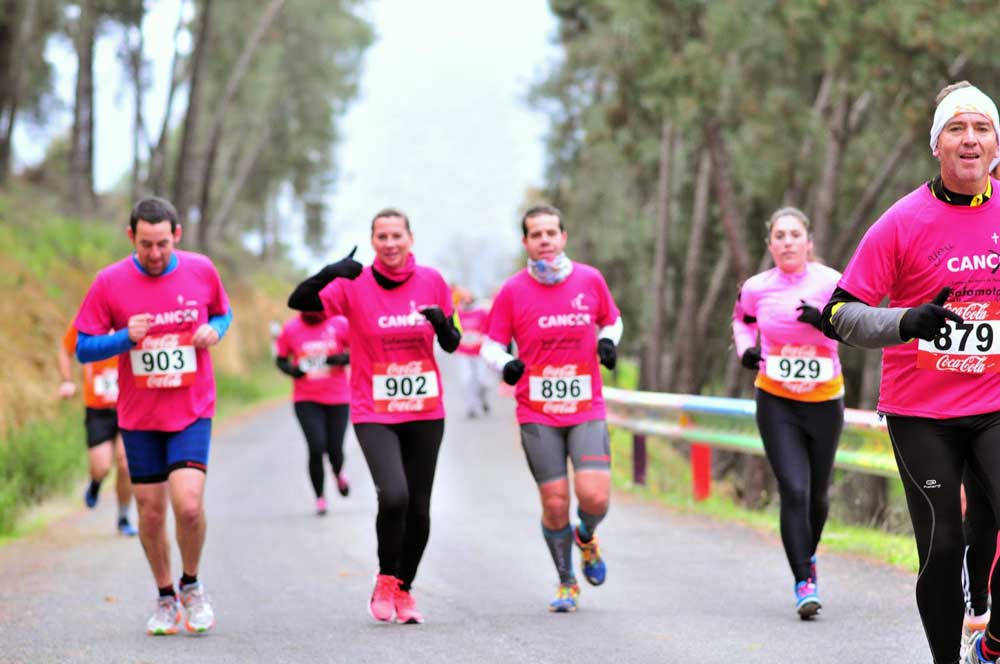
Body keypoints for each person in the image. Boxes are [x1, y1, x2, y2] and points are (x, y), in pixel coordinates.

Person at [819, 82, 1000, 664]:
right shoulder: (902, 222)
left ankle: (992, 645)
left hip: (994, 401)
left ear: (996, 144)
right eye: (957, 129)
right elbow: (839, 312)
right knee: (944, 544)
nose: (970, 140)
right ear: (937, 146)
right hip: (923, 414)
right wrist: (906, 322)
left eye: (981, 129)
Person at [288, 207, 460, 625]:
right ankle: (385, 578)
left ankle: (404, 589)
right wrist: (330, 271)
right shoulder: (354, 284)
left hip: (424, 409)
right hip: (374, 408)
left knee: (419, 507)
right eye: (381, 237)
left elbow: (452, 344)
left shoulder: (432, 281)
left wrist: (441, 326)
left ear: (410, 238)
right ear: (372, 242)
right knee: (395, 494)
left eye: (397, 235)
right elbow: (300, 301)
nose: (390, 244)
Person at [73, 196, 232, 636]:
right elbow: (83, 345)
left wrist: (213, 331)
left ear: (177, 235)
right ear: (131, 237)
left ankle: (192, 584)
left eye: (163, 243)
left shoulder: (201, 269)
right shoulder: (109, 282)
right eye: (146, 244)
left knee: (188, 504)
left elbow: (223, 312)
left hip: (191, 409)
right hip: (140, 415)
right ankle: (165, 597)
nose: (156, 253)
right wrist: (125, 338)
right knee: (150, 511)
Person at [480, 204, 622, 612]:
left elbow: (611, 320)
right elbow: (490, 344)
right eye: (535, 234)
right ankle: (566, 582)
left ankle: (587, 536)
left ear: (563, 237)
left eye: (550, 233)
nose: (544, 240)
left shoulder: (589, 280)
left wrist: (608, 341)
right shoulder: (512, 291)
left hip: (585, 405)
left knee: (593, 498)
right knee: (556, 501)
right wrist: (505, 363)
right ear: (525, 242)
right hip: (537, 411)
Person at [731, 207, 844, 619]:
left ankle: (806, 557)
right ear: (770, 245)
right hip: (776, 398)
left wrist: (826, 321)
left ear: (808, 242)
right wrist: (746, 350)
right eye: (779, 235)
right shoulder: (757, 288)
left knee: (817, 496)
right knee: (794, 489)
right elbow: (742, 321)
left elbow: (853, 321)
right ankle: (804, 581)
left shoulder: (831, 281)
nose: (788, 242)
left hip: (825, 401)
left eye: (795, 234)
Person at [58, 323, 137, 536]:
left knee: (125, 463)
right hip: (98, 409)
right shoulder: (87, 320)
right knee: (101, 466)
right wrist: (67, 380)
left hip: (127, 405)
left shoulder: (129, 315)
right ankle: (96, 483)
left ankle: (123, 517)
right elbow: (65, 350)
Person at [275, 311, 352, 514]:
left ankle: (338, 472)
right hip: (306, 399)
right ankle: (320, 497)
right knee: (316, 447)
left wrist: (340, 358)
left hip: (338, 397)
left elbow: (359, 351)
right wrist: (294, 370)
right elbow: (281, 360)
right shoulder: (291, 328)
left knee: (335, 449)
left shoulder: (340, 324)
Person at [454, 288, 491, 418]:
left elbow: (489, 329)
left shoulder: (481, 312)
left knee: (482, 380)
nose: (466, 299)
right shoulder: (457, 313)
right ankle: (471, 406)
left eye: (468, 296)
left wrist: (484, 338)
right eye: (463, 297)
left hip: (479, 351)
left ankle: (483, 398)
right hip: (464, 352)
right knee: (467, 379)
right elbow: (452, 331)